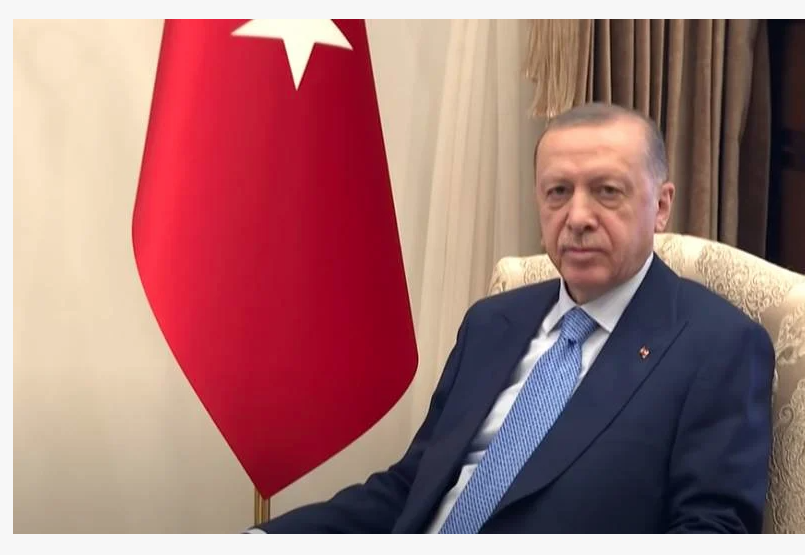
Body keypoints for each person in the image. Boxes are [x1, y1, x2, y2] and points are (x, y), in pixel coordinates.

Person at [249, 102, 776, 534]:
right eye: (558, 192)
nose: (578, 218)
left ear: (660, 206)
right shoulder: (491, 322)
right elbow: (411, 488)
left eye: (607, 191)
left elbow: (710, 532)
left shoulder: (719, 347)